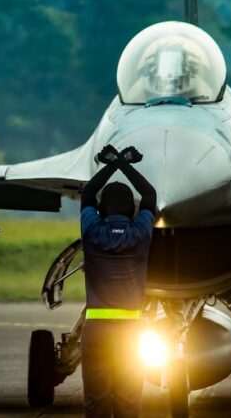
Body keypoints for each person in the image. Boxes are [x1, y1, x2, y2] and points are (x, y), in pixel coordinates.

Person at [80, 144, 157, 418]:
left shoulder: (91, 230)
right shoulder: (140, 234)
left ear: (100, 209)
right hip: (130, 331)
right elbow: (150, 194)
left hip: (96, 329)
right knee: (128, 401)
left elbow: (87, 193)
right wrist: (126, 164)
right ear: (132, 210)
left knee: (96, 401)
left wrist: (111, 164)